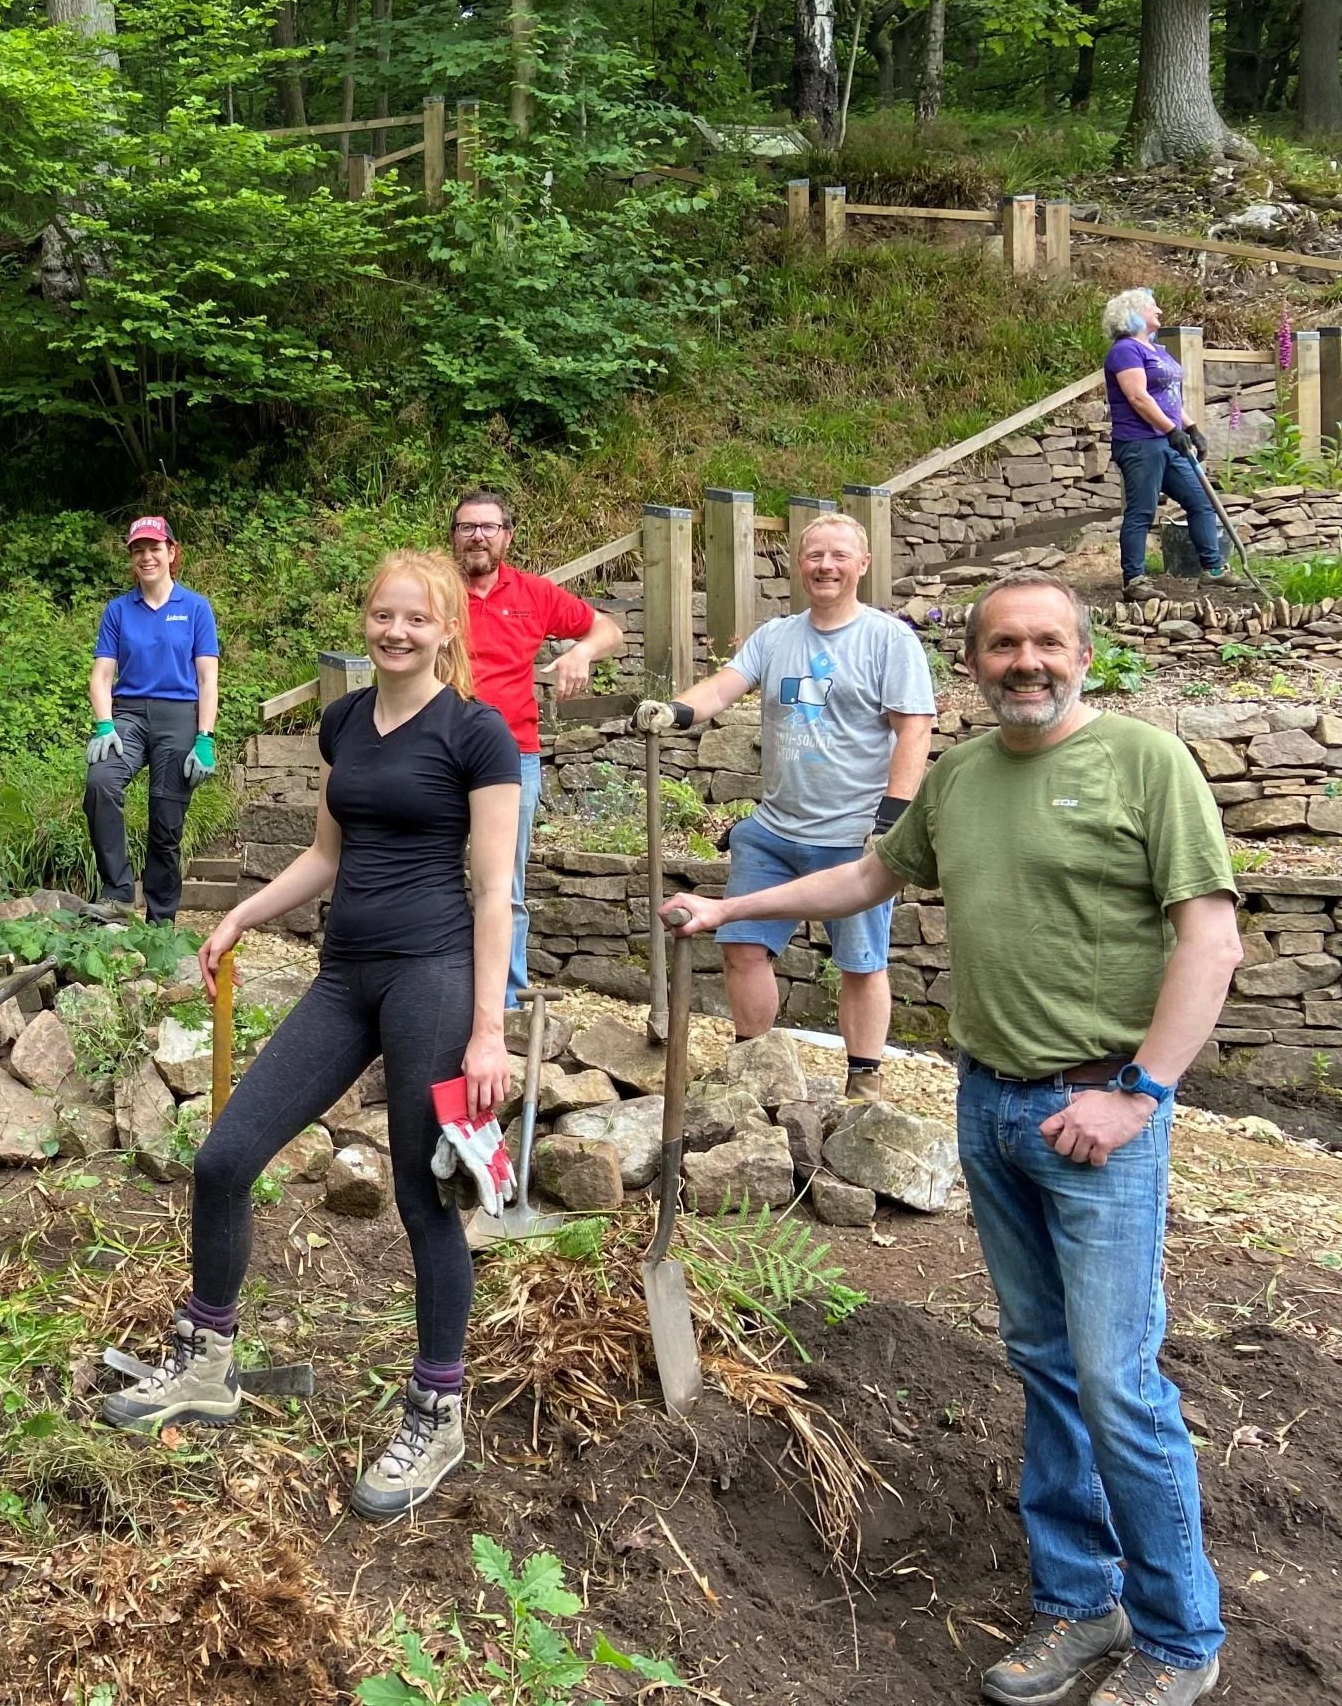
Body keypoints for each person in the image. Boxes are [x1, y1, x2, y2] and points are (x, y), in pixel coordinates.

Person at [662, 574, 1240, 1706]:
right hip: (993, 1109)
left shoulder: (1145, 762)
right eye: (1003, 645)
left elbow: (1210, 943)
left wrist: (1139, 1094)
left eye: (1046, 643)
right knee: (1044, 1368)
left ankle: (1181, 1639)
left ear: (1082, 653)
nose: (1026, 661)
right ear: (973, 664)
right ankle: (1082, 1605)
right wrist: (732, 912)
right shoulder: (963, 777)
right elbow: (871, 875)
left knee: (1117, 1382)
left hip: (1099, 1117)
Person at [98, 550, 521, 1522]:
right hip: (344, 978)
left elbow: (495, 888)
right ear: (366, 620)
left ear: (447, 628)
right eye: (383, 615)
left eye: (418, 618)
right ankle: (207, 1362)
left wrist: (489, 1029)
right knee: (225, 1158)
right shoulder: (343, 721)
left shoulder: (476, 734)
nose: (397, 632)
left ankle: (436, 1411)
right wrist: (242, 914)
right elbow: (327, 853)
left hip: (433, 978)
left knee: (422, 1199)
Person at [634, 512, 934, 1103]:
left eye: (839, 556)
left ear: (863, 565)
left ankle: (864, 1079)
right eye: (814, 555)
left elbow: (914, 732)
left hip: (852, 838)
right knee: (742, 948)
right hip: (773, 830)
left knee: (861, 961)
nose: (825, 566)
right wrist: (675, 710)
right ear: (799, 564)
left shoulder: (888, 640)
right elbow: (723, 686)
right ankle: (755, 1066)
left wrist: (891, 820)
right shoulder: (775, 637)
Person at [449, 488, 629, 1010]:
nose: (478, 536)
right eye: (467, 527)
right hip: (435, 752)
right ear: (454, 537)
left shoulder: (533, 593)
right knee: (426, 875)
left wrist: (581, 653)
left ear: (506, 535)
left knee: (505, 885)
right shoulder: (435, 592)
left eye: (489, 527)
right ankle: (435, 988)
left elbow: (607, 629)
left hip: (510, 758)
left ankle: (505, 1000)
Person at [84, 515, 220, 922]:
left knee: (166, 818)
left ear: (171, 553)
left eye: (154, 548)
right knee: (100, 781)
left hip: (179, 716)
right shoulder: (119, 611)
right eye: (138, 550)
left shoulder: (195, 608)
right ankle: (118, 893)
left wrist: (205, 738)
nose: (146, 557)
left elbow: (207, 678)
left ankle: (161, 922)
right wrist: (104, 723)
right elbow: (102, 675)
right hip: (128, 716)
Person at [1100, 287, 1242, 603]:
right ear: (1132, 314)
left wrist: (1190, 428)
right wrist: (1170, 430)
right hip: (1140, 443)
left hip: (1167, 441)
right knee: (1142, 510)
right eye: (1153, 306)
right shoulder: (1125, 351)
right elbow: (1138, 397)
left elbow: (1168, 397)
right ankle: (1134, 580)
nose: (1160, 311)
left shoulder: (1157, 350)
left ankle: (1213, 571)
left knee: (1200, 501)